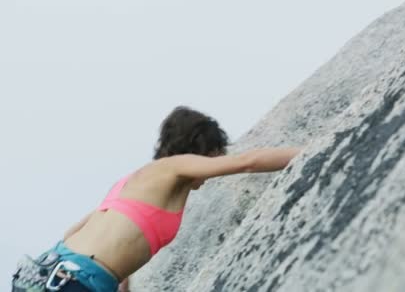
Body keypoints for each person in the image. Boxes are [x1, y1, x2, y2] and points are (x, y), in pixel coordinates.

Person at [12, 106, 301, 292]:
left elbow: (76, 234)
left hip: (43, 273)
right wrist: (313, 149)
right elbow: (248, 162)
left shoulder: (130, 182)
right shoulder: (175, 166)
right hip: (75, 282)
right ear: (206, 151)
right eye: (216, 156)